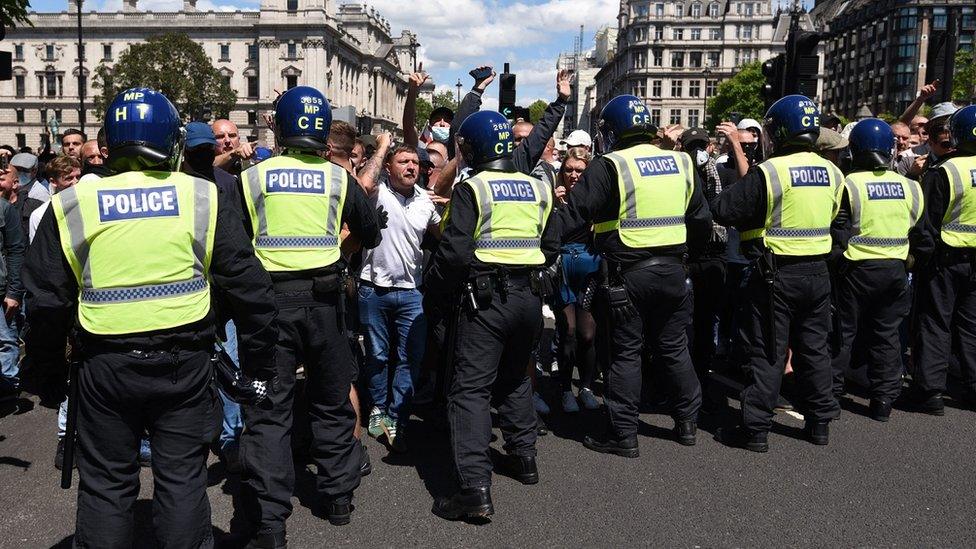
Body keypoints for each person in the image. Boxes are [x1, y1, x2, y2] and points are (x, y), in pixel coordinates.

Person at [23, 87, 278, 547]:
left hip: (104, 367)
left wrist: (48, 375)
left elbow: (46, 304)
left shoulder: (70, 204)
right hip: (185, 363)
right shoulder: (202, 196)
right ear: (170, 140)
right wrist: (258, 365)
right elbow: (251, 289)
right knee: (182, 479)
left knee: (105, 485)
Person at [237, 85, 382, 542]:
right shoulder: (338, 179)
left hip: (268, 308)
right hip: (326, 304)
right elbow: (370, 233)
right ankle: (338, 497)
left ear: (278, 126)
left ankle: (269, 519)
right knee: (332, 399)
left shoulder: (253, 177)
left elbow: (235, 246)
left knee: (269, 411)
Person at [557, 95, 711, 456]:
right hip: (674, 271)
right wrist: (691, 258)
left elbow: (576, 214)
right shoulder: (682, 163)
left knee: (625, 353)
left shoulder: (611, 164)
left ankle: (623, 435)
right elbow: (701, 220)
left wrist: (537, 240)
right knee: (674, 348)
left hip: (627, 276)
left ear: (612, 132)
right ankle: (687, 423)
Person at [425, 109, 559, 520]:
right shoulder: (537, 188)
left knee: (470, 390)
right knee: (516, 376)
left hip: (485, 301)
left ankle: (474, 490)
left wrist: (434, 287)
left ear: (472, 147)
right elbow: (551, 243)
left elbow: (454, 253)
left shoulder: (474, 188)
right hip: (528, 298)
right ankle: (523, 457)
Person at [711, 95, 844, 452]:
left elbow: (726, 209)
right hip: (817, 272)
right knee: (814, 349)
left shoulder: (770, 170)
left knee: (768, 350)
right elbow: (839, 220)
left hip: (774, 274)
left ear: (780, 130)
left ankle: (755, 429)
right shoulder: (832, 171)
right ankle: (819, 424)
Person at [830, 119, 932, 421]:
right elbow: (922, 238)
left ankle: (831, 397)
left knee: (842, 335)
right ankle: (883, 401)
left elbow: (839, 233)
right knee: (886, 337)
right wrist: (908, 261)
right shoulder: (911, 187)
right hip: (896, 270)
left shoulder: (848, 184)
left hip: (856, 270)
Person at [360, 145, 441, 451]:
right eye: (403, 161)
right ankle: (378, 410)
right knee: (378, 356)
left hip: (412, 295)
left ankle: (397, 419)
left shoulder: (425, 201)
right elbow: (364, 181)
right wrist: (381, 148)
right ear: (389, 167)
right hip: (373, 290)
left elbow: (442, 235)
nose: (411, 167)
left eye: (414, 162)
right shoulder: (375, 193)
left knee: (410, 358)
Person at [902, 105, 976, 414]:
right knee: (972, 326)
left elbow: (925, 224)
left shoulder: (944, 171)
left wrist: (919, 260)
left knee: (935, 323)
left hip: (945, 259)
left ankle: (930, 392)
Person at [551, 146, 600, 412]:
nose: (573, 175)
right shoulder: (555, 198)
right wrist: (554, 205)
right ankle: (565, 389)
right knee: (567, 331)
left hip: (590, 269)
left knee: (588, 333)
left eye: (579, 170)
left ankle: (587, 387)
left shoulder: (596, 198)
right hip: (562, 269)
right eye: (568, 170)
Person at [0, 162, 26, 400]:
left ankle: (9, 389)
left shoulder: (4, 209)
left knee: (6, 341)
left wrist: (14, 292)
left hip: (1, 291)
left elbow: (16, 251)